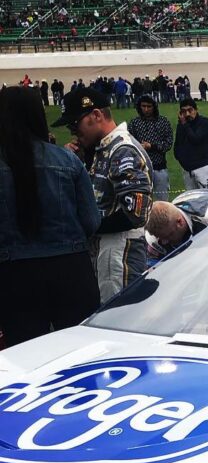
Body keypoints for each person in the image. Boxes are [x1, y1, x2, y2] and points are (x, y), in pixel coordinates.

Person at [0, 86, 101, 345]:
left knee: (24, 360)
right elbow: (91, 222)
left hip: (15, 275)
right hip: (70, 270)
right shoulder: (67, 161)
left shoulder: (65, 160)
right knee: (80, 354)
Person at [55, 84, 153, 302]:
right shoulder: (102, 149)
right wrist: (84, 158)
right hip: (106, 251)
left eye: (75, 125)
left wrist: (87, 224)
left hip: (119, 251)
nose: (73, 133)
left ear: (96, 115)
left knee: (117, 318)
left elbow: (135, 214)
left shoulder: (123, 150)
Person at [145, 188, 208, 262]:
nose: (164, 242)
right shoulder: (153, 239)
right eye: (160, 237)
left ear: (180, 222)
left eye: (168, 235)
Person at [127, 94, 173, 202]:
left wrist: (152, 146)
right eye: (143, 106)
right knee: (142, 202)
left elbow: (168, 143)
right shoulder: (134, 123)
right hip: (140, 169)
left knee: (162, 201)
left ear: (154, 107)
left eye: (149, 106)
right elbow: (128, 143)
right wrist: (139, 147)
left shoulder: (163, 122)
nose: (146, 109)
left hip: (159, 168)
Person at [173, 97, 208, 190]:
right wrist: (182, 160)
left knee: (206, 198)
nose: (187, 114)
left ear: (196, 110)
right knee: (191, 200)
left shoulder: (204, 122)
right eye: (184, 111)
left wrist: (184, 125)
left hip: (202, 167)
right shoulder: (181, 126)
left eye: (190, 110)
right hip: (187, 170)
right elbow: (177, 146)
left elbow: (196, 139)